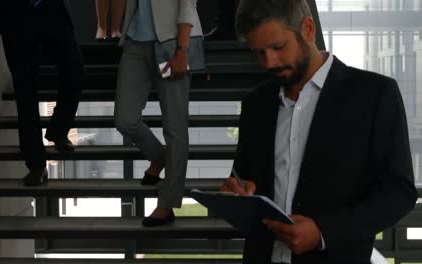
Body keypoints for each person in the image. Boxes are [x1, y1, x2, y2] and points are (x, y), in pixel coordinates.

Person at [218, 0, 417, 263]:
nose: (269, 62)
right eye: (259, 53)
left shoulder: (375, 95)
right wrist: (236, 193)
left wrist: (324, 232)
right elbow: (243, 176)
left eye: (278, 47)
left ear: (308, 29)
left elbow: (398, 193)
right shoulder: (256, 104)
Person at [114, 0, 204, 227]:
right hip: (136, 42)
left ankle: (167, 203)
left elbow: (187, 4)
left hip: (173, 42)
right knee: (125, 119)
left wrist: (182, 50)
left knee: (174, 127)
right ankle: (159, 157)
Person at [0, 0, 84, 186]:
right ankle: (36, 164)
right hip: (14, 14)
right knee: (25, 90)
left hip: (51, 9)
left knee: (75, 73)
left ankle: (58, 130)